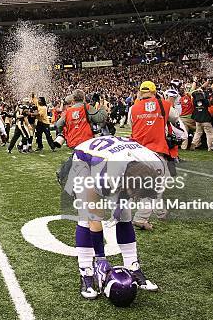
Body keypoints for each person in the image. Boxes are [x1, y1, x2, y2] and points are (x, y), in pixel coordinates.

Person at [62, 135, 160, 299]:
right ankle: (86, 271)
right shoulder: (107, 178)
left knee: (124, 213)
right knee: (87, 217)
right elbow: (95, 218)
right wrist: (100, 257)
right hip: (84, 161)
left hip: (119, 159)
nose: (136, 199)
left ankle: (133, 266)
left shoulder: (157, 164)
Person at [129, 81, 177, 230]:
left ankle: (161, 212)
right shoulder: (164, 104)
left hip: (138, 151)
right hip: (157, 151)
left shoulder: (133, 108)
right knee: (156, 186)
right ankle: (141, 218)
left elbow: (132, 125)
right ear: (154, 92)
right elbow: (175, 118)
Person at [190, 86, 213, 151]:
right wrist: (205, 95)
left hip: (197, 120)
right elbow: (209, 104)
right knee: (209, 133)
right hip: (205, 119)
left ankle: (193, 145)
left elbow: (192, 93)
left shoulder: (194, 101)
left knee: (198, 133)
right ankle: (210, 147)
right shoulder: (205, 100)